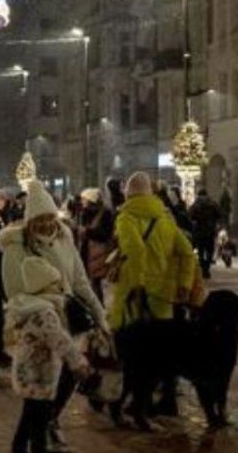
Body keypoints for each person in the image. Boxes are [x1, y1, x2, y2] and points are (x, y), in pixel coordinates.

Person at [0, 179, 105, 453]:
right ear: (29, 221)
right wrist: (47, 306)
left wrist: (99, 317)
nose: (47, 225)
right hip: (38, 324)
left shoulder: (64, 237)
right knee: (40, 388)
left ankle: (45, 427)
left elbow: (80, 282)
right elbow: (15, 292)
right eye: (40, 220)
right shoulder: (16, 246)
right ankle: (35, 444)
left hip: (67, 320)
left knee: (66, 378)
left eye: (50, 218)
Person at [110, 171, 202, 417]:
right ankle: (168, 399)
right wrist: (182, 284)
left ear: (128, 193)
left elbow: (135, 250)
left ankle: (141, 401)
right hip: (164, 296)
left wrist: (139, 283)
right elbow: (185, 252)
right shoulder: (164, 217)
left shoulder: (127, 217)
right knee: (163, 348)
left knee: (136, 350)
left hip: (138, 296)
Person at [8, 257, 90, 453]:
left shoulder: (30, 306)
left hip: (30, 370)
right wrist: (78, 362)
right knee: (40, 416)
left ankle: (18, 448)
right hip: (39, 372)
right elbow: (59, 340)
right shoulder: (45, 312)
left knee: (31, 411)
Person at [78, 187, 115, 301]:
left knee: (96, 281)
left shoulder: (105, 214)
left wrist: (87, 232)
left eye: (84, 200)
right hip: (90, 253)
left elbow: (104, 234)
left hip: (99, 252)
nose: (82, 202)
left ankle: (99, 306)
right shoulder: (86, 213)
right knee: (94, 281)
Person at [190, 188, 222, 279]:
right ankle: (207, 269)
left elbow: (190, 214)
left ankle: (203, 268)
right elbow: (219, 214)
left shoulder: (197, 204)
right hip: (210, 231)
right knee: (209, 251)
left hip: (199, 231)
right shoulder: (213, 203)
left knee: (200, 251)